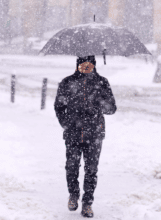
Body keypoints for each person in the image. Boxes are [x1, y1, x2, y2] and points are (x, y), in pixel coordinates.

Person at [54, 55, 117, 218]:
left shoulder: (102, 82)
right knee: (72, 167)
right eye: (83, 63)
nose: (86, 66)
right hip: (73, 133)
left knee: (91, 170)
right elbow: (59, 106)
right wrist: (66, 123)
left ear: (94, 65)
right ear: (77, 64)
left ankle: (87, 203)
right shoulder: (67, 82)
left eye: (89, 63)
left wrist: (98, 102)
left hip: (94, 132)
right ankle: (73, 196)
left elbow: (112, 108)